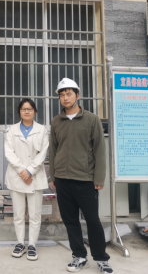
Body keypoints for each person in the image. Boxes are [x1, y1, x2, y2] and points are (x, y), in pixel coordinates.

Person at [49, 78, 113, 273]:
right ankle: (79, 256)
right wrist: (53, 176)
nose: (65, 98)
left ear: (78, 95)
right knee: (70, 221)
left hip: (85, 180)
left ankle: (101, 259)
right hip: (62, 180)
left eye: (69, 93)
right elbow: (53, 150)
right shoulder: (56, 121)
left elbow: (99, 150)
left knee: (93, 220)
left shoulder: (91, 119)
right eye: (62, 95)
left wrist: (99, 178)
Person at [4, 98, 49, 261]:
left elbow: (43, 153)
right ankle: (20, 243)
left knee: (35, 215)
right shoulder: (11, 130)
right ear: (19, 112)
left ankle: (32, 245)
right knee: (18, 214)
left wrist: (29, 171)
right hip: (17, 177)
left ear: (35, 111)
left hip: (35, 177)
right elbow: (9, 152)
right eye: (23, 109)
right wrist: (22, 171)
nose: (27, 111)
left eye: (30, 109)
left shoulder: (42, 130)